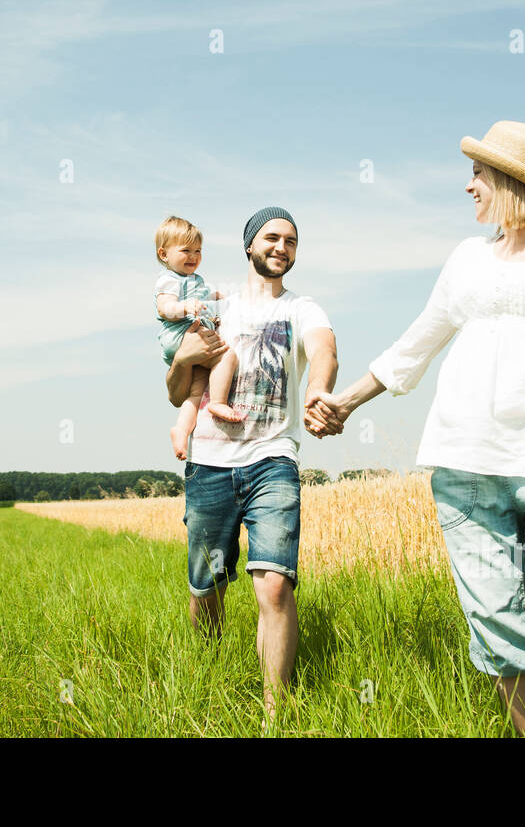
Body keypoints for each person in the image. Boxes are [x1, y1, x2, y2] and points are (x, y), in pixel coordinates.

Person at [305, 121, 525, 737]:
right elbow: (420, 340)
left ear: (513, 180)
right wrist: (345, 402)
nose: (468, 187)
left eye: (478, 175)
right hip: (464, 464)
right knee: (501, 626)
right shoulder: (468, 257)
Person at [166, 206, 337, 719]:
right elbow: (179, 393)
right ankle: (208, 675)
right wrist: (181, 358)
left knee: (277, 583)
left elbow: (323, 350)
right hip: (211, 461)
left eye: (290, 240)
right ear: (249, 246)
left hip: (273, 458)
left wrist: (319, 390)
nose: (281, 247)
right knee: (207, 587)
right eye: (271, 237)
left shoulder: (303, 308)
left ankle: (273, 714)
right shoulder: (217, 305)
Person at [154, 216, 241, 461]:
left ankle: (181, 430)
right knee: (227, 355)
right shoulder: (169, 280)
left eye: (198, 251)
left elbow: (206, 295)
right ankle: (219, 402)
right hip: (182, 336)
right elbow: (164, 308)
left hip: (187, 342)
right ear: (164, 254)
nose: (193, 256)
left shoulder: (195, 281)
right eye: (185, 251)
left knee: (196, 390)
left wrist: (219, 297)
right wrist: (182, 307)